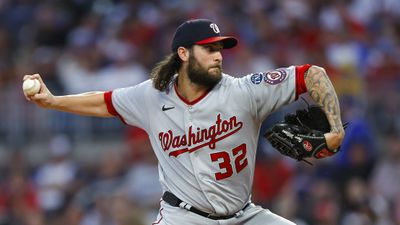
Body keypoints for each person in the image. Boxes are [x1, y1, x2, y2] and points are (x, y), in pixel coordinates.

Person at [24, 18, 345, 225]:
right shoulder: (151, 97)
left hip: (244, 216)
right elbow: (103, 101)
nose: (218, 55)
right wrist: (53, 101)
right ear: (183, 54)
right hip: (184, 218)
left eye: (220, 48)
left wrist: (336, 127)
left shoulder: (245, 91)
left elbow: (312, 75)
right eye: (208, 49)